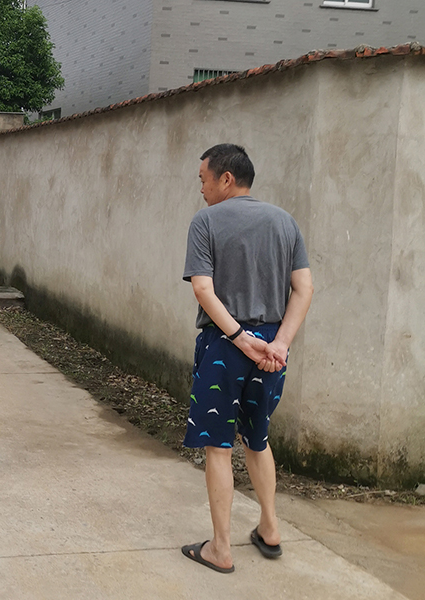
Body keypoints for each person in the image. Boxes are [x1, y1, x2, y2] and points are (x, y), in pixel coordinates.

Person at [180, 144, 313, 573]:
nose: (200, 188)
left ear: (225, 179)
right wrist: (280, 344)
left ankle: (220, 549)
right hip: (272, 348)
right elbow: (304, 288)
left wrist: (237, 337)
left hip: (224, 345)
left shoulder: (205, 222)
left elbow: (203, 289)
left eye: (203, 178)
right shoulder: (285, 222)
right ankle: (270, 528)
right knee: (258, 439)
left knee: (218, 446)